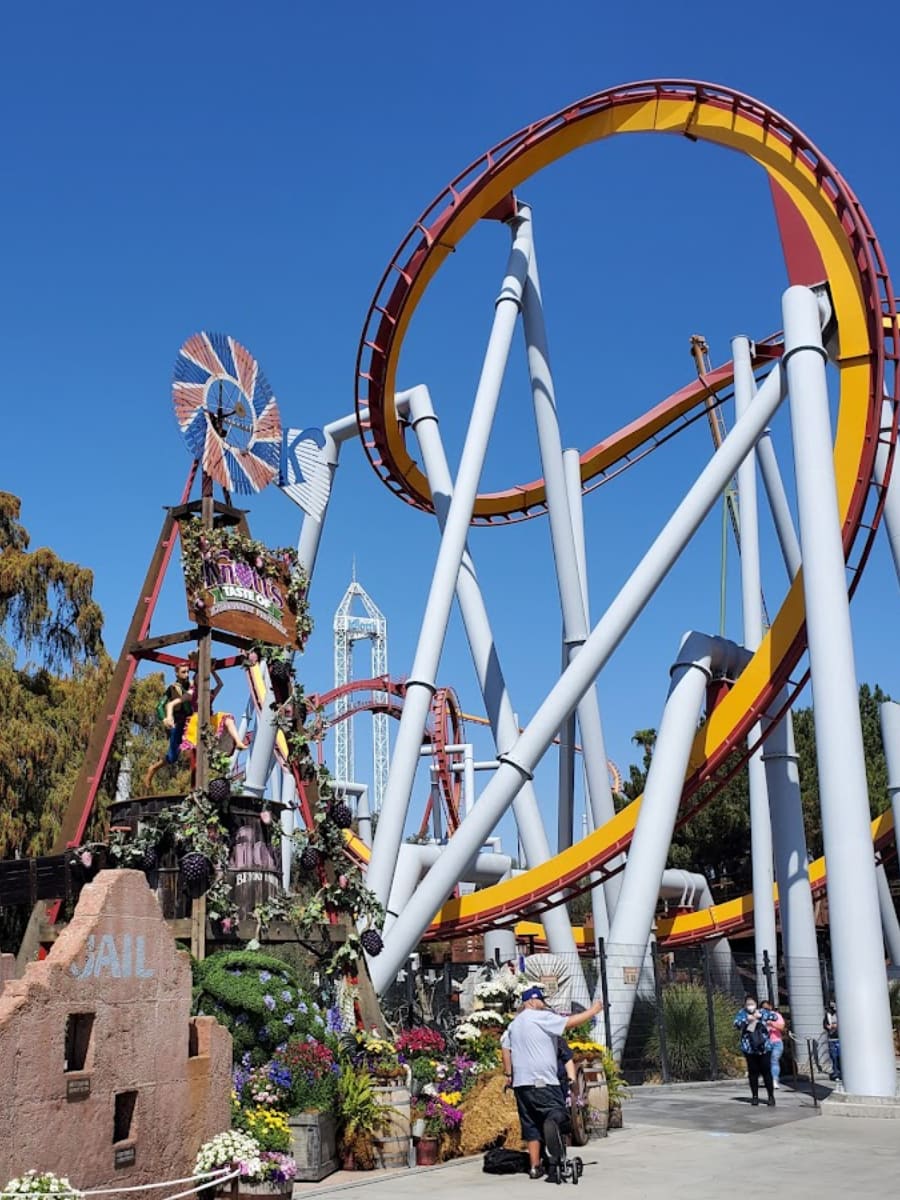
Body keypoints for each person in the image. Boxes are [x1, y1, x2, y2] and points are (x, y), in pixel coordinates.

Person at [500, 988, 603, 1182]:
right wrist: (593, 1010)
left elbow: (506, 1048)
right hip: (543, 1081)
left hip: (522, 1084)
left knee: (530, 1124)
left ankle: (534, 1167)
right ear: (532, 1001)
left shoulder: (514, 1025)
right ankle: (553, 1131)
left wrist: (508, 1074)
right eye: (541, 1000)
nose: (544, 1004)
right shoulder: (541, 1017)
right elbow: (569, 1023)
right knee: (557, 1114)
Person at [144, 660, 193, 790]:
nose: (187, 675)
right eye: (184, 672)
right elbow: (160, 705)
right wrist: (164, 718)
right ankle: (153, 768)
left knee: (195, 748)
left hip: (191, 721)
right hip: (177, 722)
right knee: (172, 757)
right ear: (177, 674)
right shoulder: (173, 688)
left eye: (188, 672)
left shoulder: (192, 685)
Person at [733, 993, 777, 1107]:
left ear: (756, 1004)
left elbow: (774, 1016)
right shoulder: (742, 1013)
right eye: (748, 1004)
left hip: (764, 1047)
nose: (750, 1006)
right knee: (753, 1072)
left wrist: (760, 1016)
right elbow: (736, 1024)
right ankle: (755, 1096)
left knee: (766, 1071)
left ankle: (771, 1096)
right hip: (749, 1048)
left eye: (752, 1003)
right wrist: (748, 1020)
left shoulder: (762, 1012)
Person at [764, 998, 786, 1089]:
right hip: (765, 1042)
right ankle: (768, 1079)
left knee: (774, 1059)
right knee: (766, 1062)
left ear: (771, 1007)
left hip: (776, 1041)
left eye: (767, 1008)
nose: (765, 1010)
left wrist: (772, 1024)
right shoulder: (760, 1016)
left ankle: (774, 1080)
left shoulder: (776, 1016)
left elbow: (782, 1027)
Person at [823, 999, 841, 1081]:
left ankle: (840, 1072)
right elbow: (825, 1024)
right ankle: (836, 1073)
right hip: (831, 1038)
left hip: (839, 1038)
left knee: (840, 1056)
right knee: (833, 1057)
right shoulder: (827, 1015)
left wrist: (836, 1026)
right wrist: (828, 1026)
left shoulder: (839, 1014)